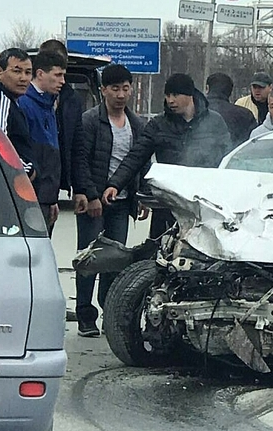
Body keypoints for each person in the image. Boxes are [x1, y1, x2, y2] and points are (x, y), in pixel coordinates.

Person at [101, 73, 231, 239]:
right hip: (167, 205)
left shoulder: (214, 122)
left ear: (190, 95)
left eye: (175, 95)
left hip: (204, 205)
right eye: (168, 95)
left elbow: (227, 159)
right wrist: (115, 184)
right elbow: (136, 157)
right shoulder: (159, 125)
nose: (170, 100)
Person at [71, 64, 147, 338]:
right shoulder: (90, 120)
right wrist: (90, 195)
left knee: (115, 261)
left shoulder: (136, 124)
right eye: (115, 88)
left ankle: (109, 311)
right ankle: (85, 314)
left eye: (126, 88)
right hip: (94, 202)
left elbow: (140, 163)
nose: (121, 94)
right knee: (90, 259)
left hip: (123, 203)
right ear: (103, 90)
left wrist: (141, 197)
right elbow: (81, 160)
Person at [19, 51, 66, 235]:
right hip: (30, 198)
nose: (62, 81)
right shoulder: (24, 104)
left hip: (46, 197)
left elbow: (51, 157)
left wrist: (52, 198)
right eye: (57, 75)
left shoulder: (49, 105)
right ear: (40, 74)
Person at [40, 39, 84, 203]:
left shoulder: (72, 100)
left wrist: (80, 188)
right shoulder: (24, 98)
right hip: (30, 179)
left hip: (55, 179)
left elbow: (77, 146)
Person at [0, 47, 35, 177]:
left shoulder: (12, 102)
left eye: (28, 72)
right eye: (17, 71)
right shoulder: (1, 102)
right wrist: (28, 170)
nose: (23, 78)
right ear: (0, 72)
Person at [205, 72, 257, 148]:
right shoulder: (244, 115)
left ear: (207, 88)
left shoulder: (195, 111)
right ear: (230, 92)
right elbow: (251, 144)